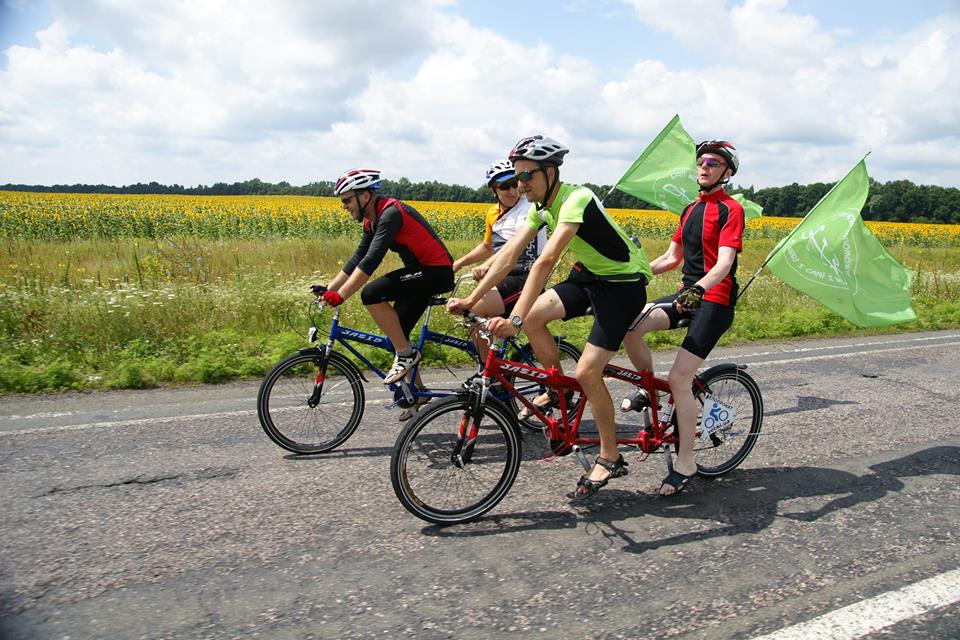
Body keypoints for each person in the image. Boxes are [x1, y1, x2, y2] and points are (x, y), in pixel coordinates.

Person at [448, 135, 653, 499]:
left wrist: (513, 318)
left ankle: (610, 456)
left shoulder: (577, 197)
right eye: (517, 176)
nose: (521, 184)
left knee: (588, 371)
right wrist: (471, 299)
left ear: (551, 172)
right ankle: (559, 392)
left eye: (527, 176)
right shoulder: (540, 207)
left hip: (622, 285)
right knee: (535, 319)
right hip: (588, 276)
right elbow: (508, 256)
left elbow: (544, 262)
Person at [620, 140, 745, 497]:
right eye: (701, 162)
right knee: (630, 327)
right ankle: (648, 388)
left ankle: (686, 462)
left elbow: (723, 264)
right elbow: (671, 258)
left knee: (679, 378)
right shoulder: (690, 209)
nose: (703, 167)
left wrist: (700, 289)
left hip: (714, 300)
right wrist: (635, 272)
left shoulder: (730, 210)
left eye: (712, 162)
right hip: (687, 296)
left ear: (727, 172)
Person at [316, 168, 455, 410]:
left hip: (436, 272)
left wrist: (341, 296)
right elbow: (357, 257)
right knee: (396, 333)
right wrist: (330, 287)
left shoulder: (391, 213)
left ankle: (407, 356)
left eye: (347, 200)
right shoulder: (372, 220)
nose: (345, 206)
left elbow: (371, 260)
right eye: (343, 202)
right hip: (421, 273)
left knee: (370, 293)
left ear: (365, 196)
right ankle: (418, 392)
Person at [451, 160, 546, 361]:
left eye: (514, 183)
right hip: (503, 277)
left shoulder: (528, 208)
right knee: (474, 319)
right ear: (494, 190)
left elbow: (513, 247)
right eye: (504, 186)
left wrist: (486, 266)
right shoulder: (493, 213)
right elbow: (487, 247)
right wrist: (460, 262)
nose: (512, 190)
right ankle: (492, 369)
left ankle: (491, 376)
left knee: (474, 308)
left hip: (526, 278)